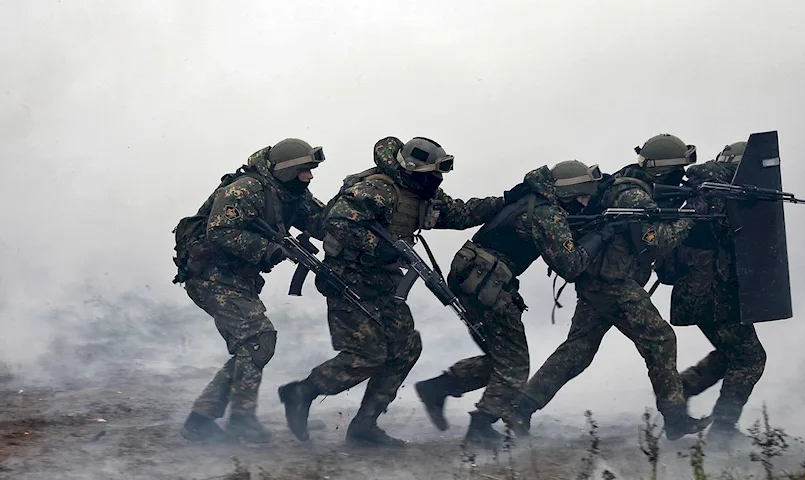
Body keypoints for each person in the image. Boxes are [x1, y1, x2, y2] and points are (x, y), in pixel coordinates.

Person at [277, 136, 506, 447]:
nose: (436, 181)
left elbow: (461, 215)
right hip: (348, 279)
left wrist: (506, 201)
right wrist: (378, 249)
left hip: (384, 282)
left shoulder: (421, 192)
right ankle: (302, 391)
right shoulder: (377, 189)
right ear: (412, 170)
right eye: (431, 175)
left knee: (406, 347)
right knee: (367, 355)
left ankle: (364, 427)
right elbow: (336, 224)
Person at [512, 134, 712, 441]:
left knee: (578, 350)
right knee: (660, 338)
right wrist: (689, 216)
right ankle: (674, 418)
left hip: (599, 279)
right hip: (613, 282)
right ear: (663, 171)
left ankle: (520, 408)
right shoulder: (632, 194)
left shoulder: (629, 180)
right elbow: (655, 240)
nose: (682, 175)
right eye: (679, 169)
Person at [413, 161, 616, 449]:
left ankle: (438, 388)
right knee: (515, 365)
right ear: (571, 193)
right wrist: (602, 234)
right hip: (488, 280)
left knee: (500, 359)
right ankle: (481, 427)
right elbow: (571, 266)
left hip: (472, 273)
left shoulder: (532, 199)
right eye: (583, 196)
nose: (585, 202)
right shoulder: (548, 214)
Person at [172, 138, 327, 444]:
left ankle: (201, 419)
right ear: (286, 171)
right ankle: (242, 419)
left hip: (236, 278)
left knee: (253, 345)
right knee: (258, 339)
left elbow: (323, 223)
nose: (309, 177)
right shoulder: (246, 189)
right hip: (210, 275)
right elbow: (219, 231)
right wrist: (268, 249)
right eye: (304, 171)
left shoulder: (292, 194)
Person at [669, 141, 768, 445]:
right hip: (710, 292)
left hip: (705, 290)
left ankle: (682, 388)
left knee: (733, 353)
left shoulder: (705, 188)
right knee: (750, 358)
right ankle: (723, 432)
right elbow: (728, 234)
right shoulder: (718, 192)